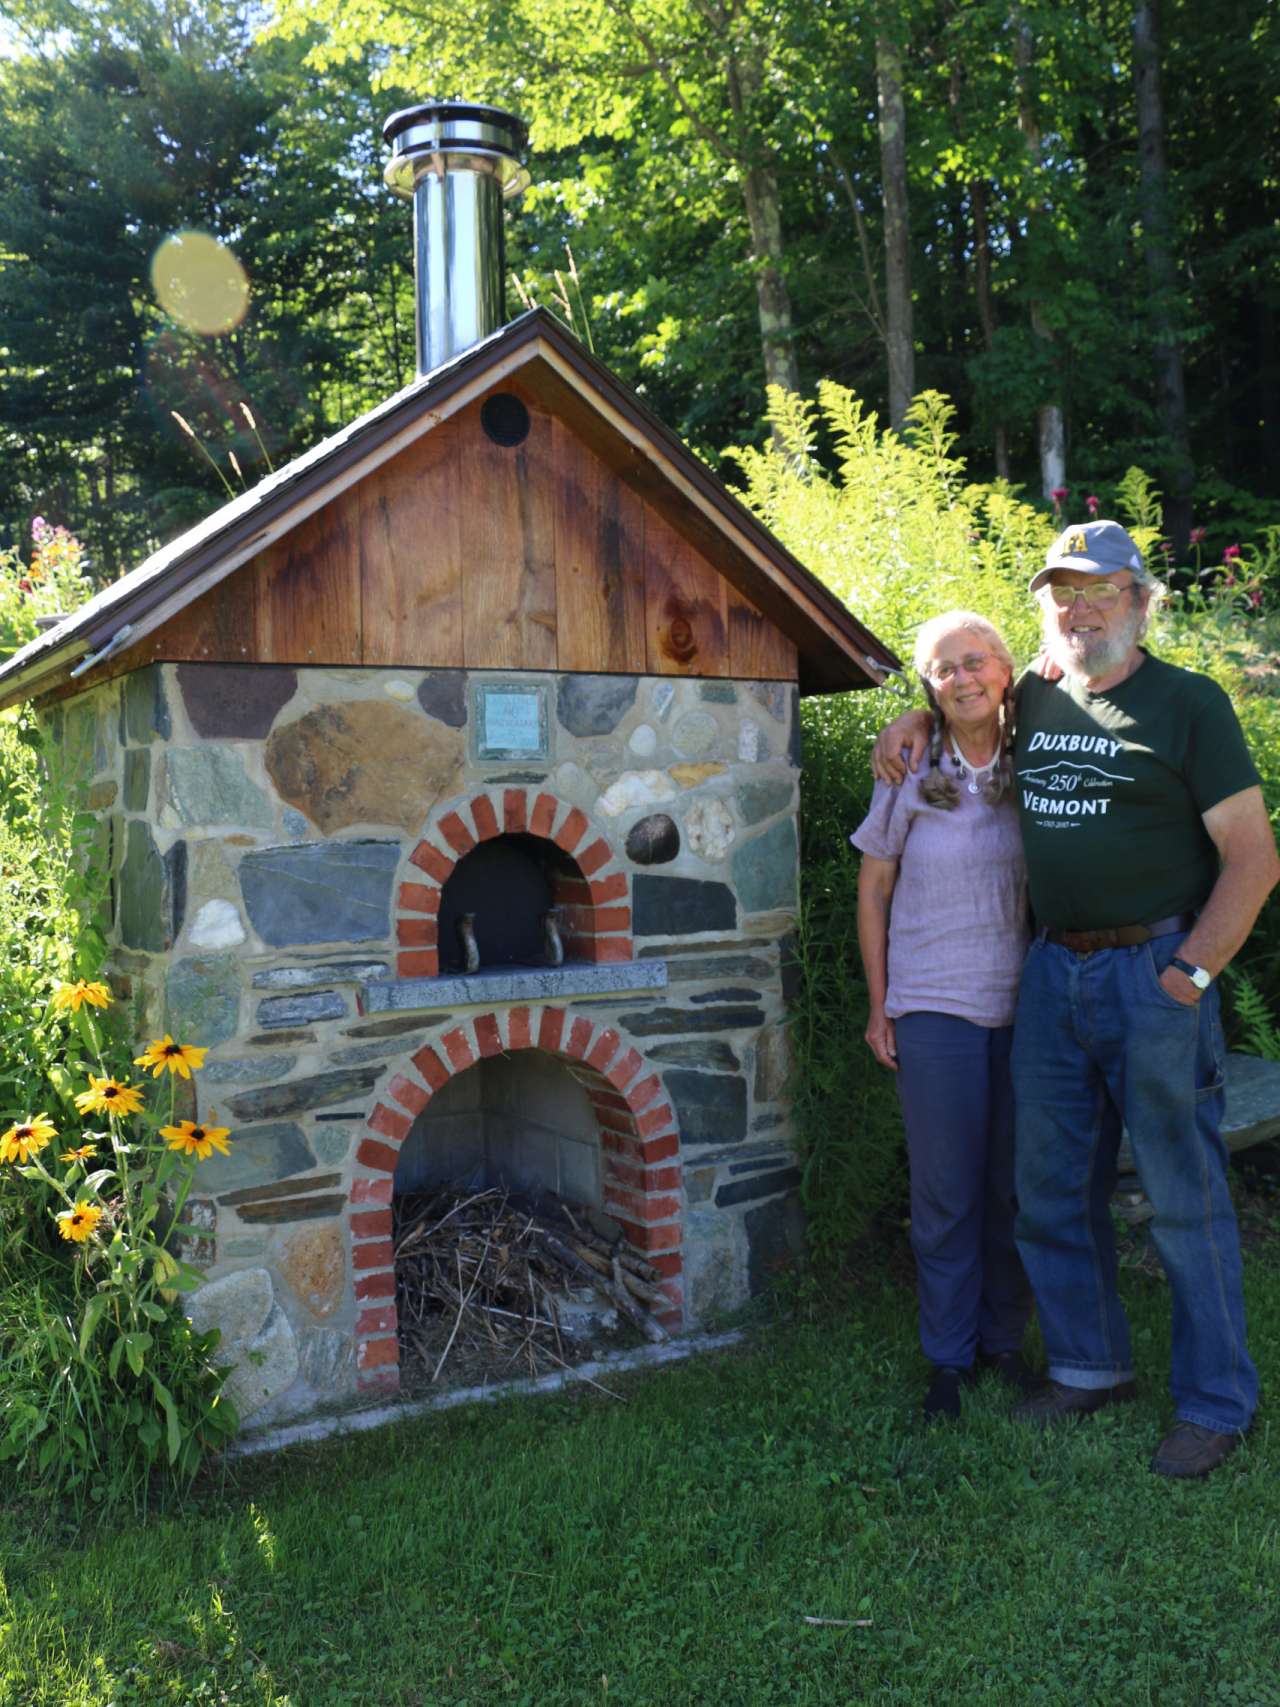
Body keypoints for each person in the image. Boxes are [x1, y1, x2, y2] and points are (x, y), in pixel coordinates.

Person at [873, 520, 1280, 1476]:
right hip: (1049, 974)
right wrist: (915, 718)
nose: (1078, 607)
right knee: (1051, 1192)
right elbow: (959, 697)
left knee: (1183, 1195)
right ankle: (1091, 1368)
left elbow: (1254, 859)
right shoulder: (1037, 698)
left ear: (1141, 598)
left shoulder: (1188, 704)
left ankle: (1218, 1402)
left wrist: (1192, 972)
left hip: (1155, 972)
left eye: (1097, 590)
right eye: (1061, 592)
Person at [852, 610, 1034, 1422]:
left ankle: (1004, 1344)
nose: (961, 677)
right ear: (928, 686)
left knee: (1012, 1188)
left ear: (1004, 668)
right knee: (947, 1193)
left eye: (974, 661)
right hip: (933, 1005)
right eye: (942, 669)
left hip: (1031, 1007)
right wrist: (878, 1002)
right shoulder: (909, 765)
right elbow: (875, 889)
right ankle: (949, 1362)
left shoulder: (1041, 753)